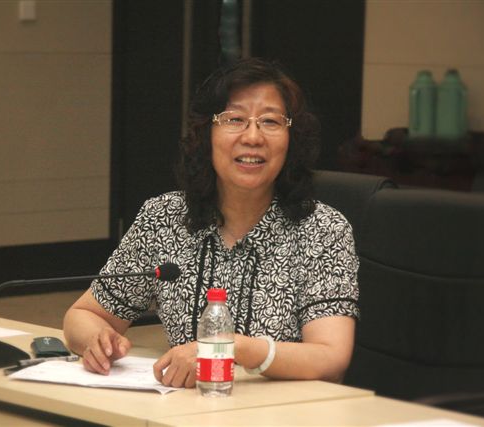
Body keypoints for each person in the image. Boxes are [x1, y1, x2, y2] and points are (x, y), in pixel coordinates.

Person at [63, 57, 359, 388]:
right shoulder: (164, 217)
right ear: (206, 134)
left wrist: (230, 348)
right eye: (234, 119)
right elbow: (83, 315)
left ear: (291, 139)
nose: (253, 137)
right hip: (189, 407)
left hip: (285, 410)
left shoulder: (322, 229)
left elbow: (331, 358)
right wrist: (98, 340)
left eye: (270, 121)